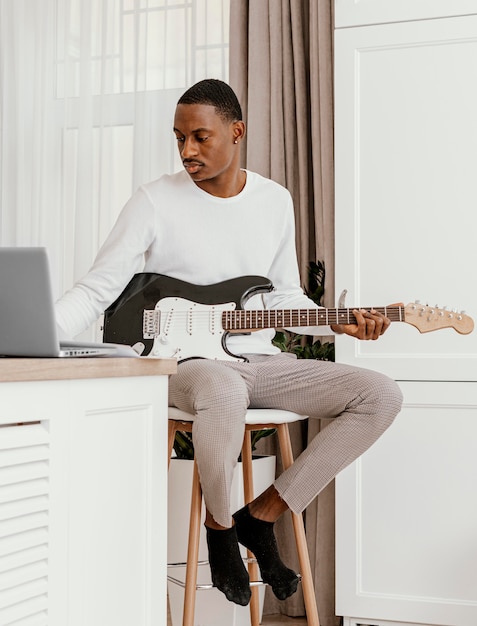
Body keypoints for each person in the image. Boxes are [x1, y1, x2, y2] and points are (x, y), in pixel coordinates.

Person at [56, 79, 403, 607]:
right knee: (221, 390)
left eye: (200, 137)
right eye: (179, 138)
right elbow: (96, 289)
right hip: (187, 365)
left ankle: (260, 517)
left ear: (236, 131)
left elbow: (285, 297)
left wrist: (340, 324)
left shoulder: (273, 201)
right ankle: (220, 529)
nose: (187, 151)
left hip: (258, 360)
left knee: (380, 395)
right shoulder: (153, 200)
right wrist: (40, 333)